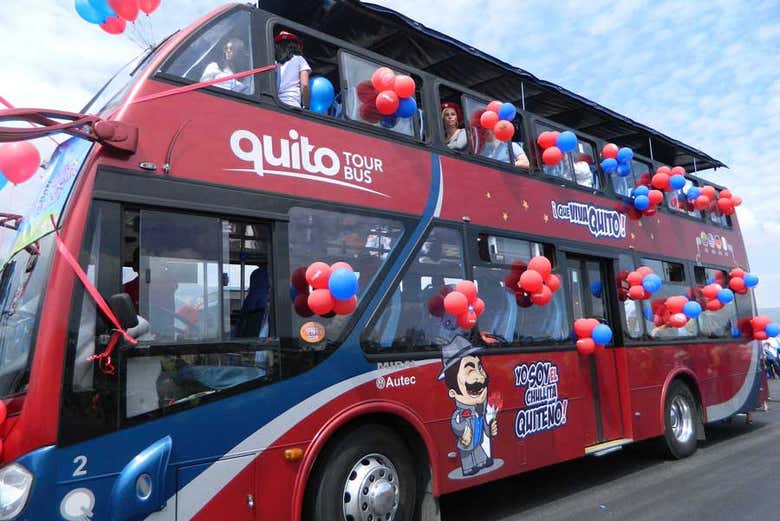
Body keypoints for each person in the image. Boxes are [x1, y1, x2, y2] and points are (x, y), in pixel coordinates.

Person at [274, 31, 310, 109]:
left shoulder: (275, 63)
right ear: (296, 45)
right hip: (292, 105)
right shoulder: (300, 59)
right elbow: (305, 85)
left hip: (276, 104)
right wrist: (306, 106)